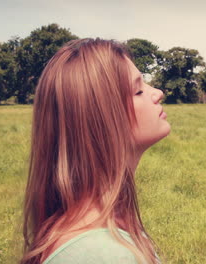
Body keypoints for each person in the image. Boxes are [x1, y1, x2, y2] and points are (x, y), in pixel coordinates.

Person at [21, 38, 170, 264]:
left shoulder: (96, 228)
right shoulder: (107, 255)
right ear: (98, 121)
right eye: (138, 90)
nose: (157, 92)